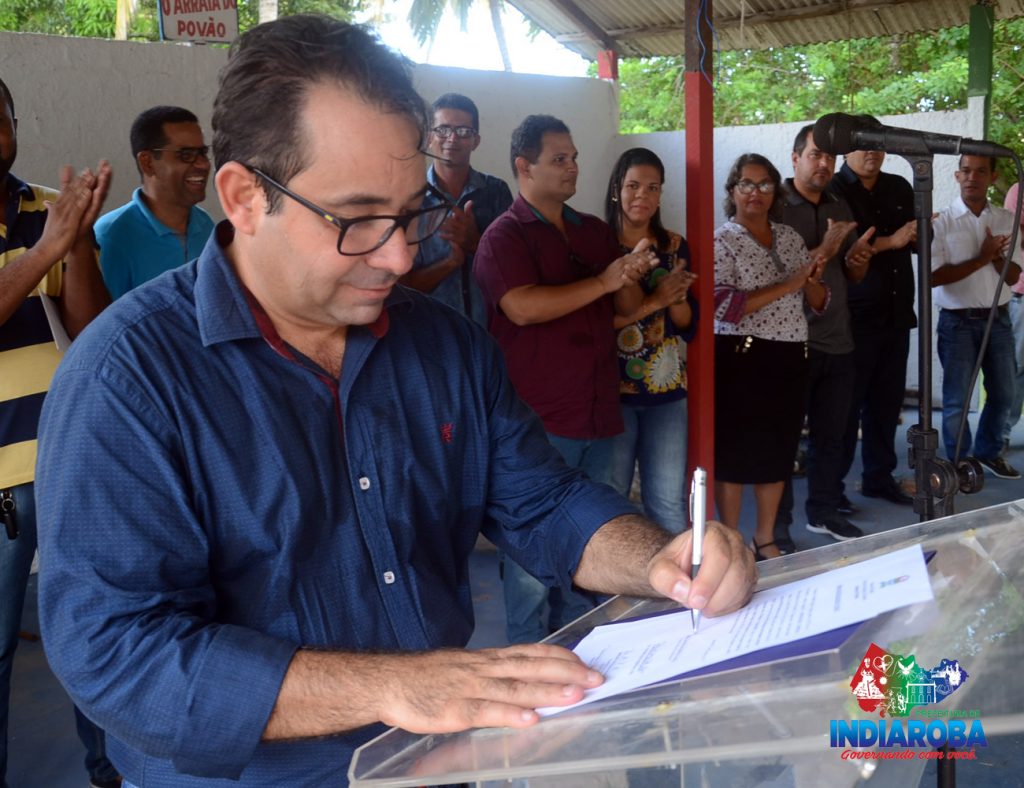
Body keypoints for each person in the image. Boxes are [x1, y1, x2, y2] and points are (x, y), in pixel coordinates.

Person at [34, 18, 756, 788]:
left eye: (412, 214)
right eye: (357, 220)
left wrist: (658, 561)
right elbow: (118, 654)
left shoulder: (445, 347)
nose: (401, 254)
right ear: (244, 197)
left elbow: (541, 500)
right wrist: (388, 686)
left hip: (436, 760)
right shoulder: (129, 379)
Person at [473, 115, 656, 644]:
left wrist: (629, 273)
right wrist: (603, 281)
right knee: (532, 552)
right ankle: (529, 650)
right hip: (538, 420)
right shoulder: (503, 236)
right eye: (559, 159)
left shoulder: (592, 231)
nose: (573, 167)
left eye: (574, 157)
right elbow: (522, 307)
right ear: (523, 167)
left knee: (594, 537)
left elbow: (625, 305)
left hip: (598, 411)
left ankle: (583, 640)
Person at [0, 77, 120, 788]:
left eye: (0, 119)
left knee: (98, 628)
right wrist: (48, 249)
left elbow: (90, 324)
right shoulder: (46, 228)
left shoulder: (49, 208)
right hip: (1, 482)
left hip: (71, 460)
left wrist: (76, 247)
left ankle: (113, 770)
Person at [713, 153, 827, 560]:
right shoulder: (722, 240)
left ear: (775, 192)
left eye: (764, 184)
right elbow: (725, 306)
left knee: (778, 452)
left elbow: (819, 302)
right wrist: (791, 283)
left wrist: (812, 280)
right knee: (733, 455)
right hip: (741, 357)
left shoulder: (790, 237)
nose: (755, 192)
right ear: (732, 191)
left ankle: (764, 540)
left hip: (790, 356)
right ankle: (731, 543)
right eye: (746, 183)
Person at [775, 125, 876, 546]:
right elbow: (776, 273)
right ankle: (775, 528)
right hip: (788, 343)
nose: (824, 164)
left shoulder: (838, 202)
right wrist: (827, 249)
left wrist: (856, 260)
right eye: (815, 155)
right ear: (795, 158)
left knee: (832, 436)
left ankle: (824, 511)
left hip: (838, 339)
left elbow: (850, 274)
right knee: (781, 442)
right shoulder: (775, 205)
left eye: (830, 157)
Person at [603, 148, 697, 532]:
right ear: (616, 190)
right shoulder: (599, 244)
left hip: (666, 390)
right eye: (633, 185)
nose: (642, 194)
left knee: (667, 502)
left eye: (652, 187)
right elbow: (597, 323)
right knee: (612, 501)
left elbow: (688, 325)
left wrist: (676, 299)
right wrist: (655, 299)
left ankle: (673, 574)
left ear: (660, 195)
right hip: (610, 391)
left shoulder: (674, 246)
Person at [830, 135, 917, 505]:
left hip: (896, 313)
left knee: (886, 404)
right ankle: (831, 492)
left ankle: (879, 479)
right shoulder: (834, 189)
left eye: (878, 144)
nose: (872, 152)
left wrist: (920, 234)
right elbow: (843, 250)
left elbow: (914, 241)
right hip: (854, 317)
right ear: (846, 150)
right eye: (864, 144)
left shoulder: (899, 186)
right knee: (846, 409)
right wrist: (893, 240)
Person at [931, 154, 1021, 478]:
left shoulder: (1006, 219)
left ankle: (988, 453)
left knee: (1005, 393)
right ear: (957, 176)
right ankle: (958, 463)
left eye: (981, 171)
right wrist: (983, 257)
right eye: (966, 171)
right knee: (957, 399)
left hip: (999, 320)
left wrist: (995, 258)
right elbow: (933, 277)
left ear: (992, 177)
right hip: (957, 322)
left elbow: (1013, 276)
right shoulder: (941, 221)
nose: (972, 177)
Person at [398, 93, 513, 325]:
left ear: (475, 141)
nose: (452, 138)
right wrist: (450, 263)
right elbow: (400, 287)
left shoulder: (496, 191)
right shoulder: (409, 198)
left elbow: (515, 270)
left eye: (463, 131)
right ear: (429, 136)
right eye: (443, 129)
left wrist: (475, 243)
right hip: (431, 332)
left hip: (490, 331)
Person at [95, 105, 214, 299]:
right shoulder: (112, 236)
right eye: (186, 154)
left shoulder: (205, 225)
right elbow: (102, 316)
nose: (203, 164)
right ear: (147, 163)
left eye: (203, 152)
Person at [1002, 181, 1024, 452]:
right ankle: (1003, 430)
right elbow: (1016, 236)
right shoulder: (1019, 190)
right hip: (1022, 294)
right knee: (1016, 366)